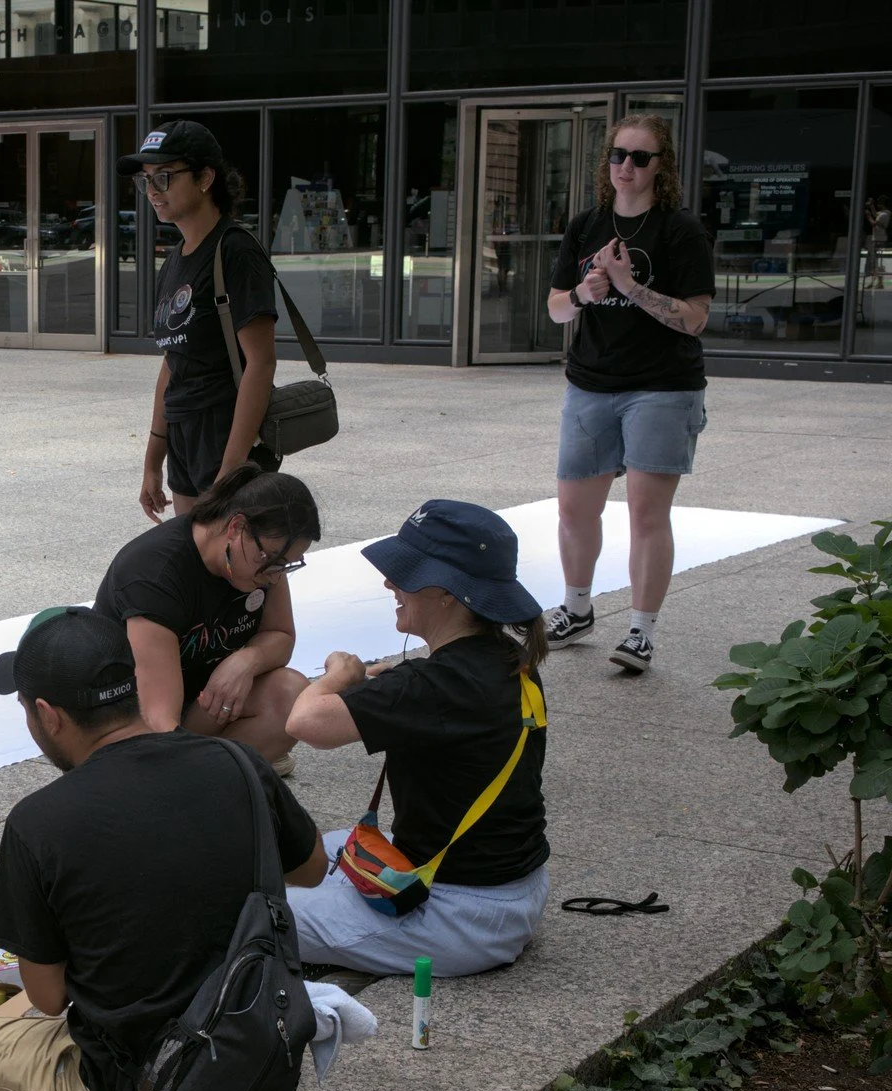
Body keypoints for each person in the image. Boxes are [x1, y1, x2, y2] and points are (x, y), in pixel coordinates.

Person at [0, 608, 326, 1091]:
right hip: (251, 1059)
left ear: (47, 716)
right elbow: (313, 869)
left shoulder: (40, 822)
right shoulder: (238, 761)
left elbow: (50, 997)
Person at [286, 500, 551, 978]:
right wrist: (387, 692)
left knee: (244, 918)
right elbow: (442, 709)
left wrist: (338, 674)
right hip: (512, 887)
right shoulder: (505, 658)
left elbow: (306, 723)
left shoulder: (434, 685)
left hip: (460, 914)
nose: (390, 584)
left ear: (447, 592)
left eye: (404, 575)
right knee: (300, 847)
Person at [542, 113, 714, 675]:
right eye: (618, 155)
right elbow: (555, 308)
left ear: (661, 168)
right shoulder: (587, 224)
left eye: (640, 158)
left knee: (646, 513)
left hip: (662, 388)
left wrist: (628, 286)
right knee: (574, 509)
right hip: (591, 382)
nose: (626, 167)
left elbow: (693, 319)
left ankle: (641, 631)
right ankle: (577, 607)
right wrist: (585, 292)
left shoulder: (680, 230)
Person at [93, 464, 318, 772]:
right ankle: (207, 777)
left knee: (291, 695)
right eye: (273, 560)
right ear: (236, 527)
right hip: (127, 718)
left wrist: (246, 661)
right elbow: (158, 718)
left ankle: (217, 773)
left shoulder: (261, 564)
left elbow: (281, 635)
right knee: (162, 757)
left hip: (199, 704)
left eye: (288, 565)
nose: (275, 577)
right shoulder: (155, 573)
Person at [123, 121, 278, 522]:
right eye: (146, 181)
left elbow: (260, 363)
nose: (153, 191)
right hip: (183, 436)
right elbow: (171, 363)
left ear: (206, 177)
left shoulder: (235, 252)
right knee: (194, 565)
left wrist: (231, 470)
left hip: (225, 434)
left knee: (245, 567)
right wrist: (152, 461)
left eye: (164, 177)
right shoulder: (176, 259)